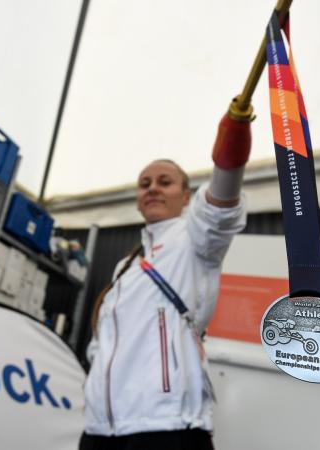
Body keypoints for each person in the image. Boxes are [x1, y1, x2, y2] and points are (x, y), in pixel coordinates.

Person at [80, 110, 252, 450]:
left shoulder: (194, 240)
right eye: (145, 185)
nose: (153, 189)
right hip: (100, 430)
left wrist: (233, 137)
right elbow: (103, 343)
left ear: (186, 197)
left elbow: (218, 212)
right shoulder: (124, 268)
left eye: (165, 182)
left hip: (166, 427)